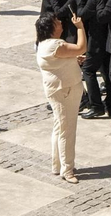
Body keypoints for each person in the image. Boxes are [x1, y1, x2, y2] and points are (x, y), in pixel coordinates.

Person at [37, 10, 89, 183]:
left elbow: (63, 59)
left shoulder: (45, 45)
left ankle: (57, 164)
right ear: (51, 27)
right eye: (56, 21)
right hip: (64, 90)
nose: (60, 22)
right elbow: (81, 47)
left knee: (59, 127)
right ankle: (67, 170)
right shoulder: (54, 45)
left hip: (60, 89)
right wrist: (80, 27)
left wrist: (73, 60)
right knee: (67, 130)